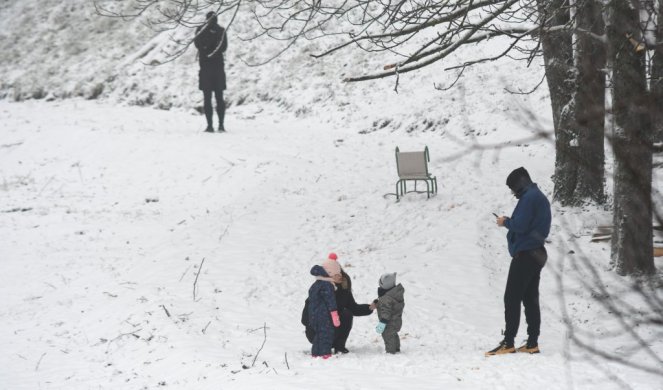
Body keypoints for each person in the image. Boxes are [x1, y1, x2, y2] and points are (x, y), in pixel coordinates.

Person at [486, 167, 551, 356]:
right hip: (536, 253)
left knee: (511, 298)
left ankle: (508, 343)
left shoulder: (529, 198)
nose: (513, 192)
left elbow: (520, 225)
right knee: (530, 298)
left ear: (519, 183)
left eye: (513, 188)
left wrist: (505, 222)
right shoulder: (536, 196)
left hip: (526, 254)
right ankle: (532, 343)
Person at [302, 253, 374, 354]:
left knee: (346, 313)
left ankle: (339, 346)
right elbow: (304, 319)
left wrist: (370, 308)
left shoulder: (344, 292)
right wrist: (315, 323)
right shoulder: (319, 290)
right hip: (315, 331)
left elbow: (354, 308)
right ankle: (321, 345)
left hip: (333, 330)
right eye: (338, 276)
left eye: (342, 278)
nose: (341, 280)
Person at [194, 12, 228, 133]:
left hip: (205, 68)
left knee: (207, 98)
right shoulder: (221, 31)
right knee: (219, 97)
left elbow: (197, 44)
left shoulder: (200, 30)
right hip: (218, 68)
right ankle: (221, 125)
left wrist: (206, 49)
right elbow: (223, 47)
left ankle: (210, 126)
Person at [307, 255, 341, 358]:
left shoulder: (316, 284)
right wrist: (335, 315)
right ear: (330, 273)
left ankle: (316, 353)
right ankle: (325, 353)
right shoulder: (327, 285)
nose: (339, 276)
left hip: (314, 314)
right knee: (326, 334)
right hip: (324, 315)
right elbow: (330, 301)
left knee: (319, 334)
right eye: (337, 274)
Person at [374, 272, 405, 354]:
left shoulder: (386, 298)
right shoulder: (396, 294)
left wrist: (382, 323)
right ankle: (397, 348)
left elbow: (386, 311)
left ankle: (391, 352)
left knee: (388, 336)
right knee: (394, 335)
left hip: (389, 322)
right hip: (397, 320)